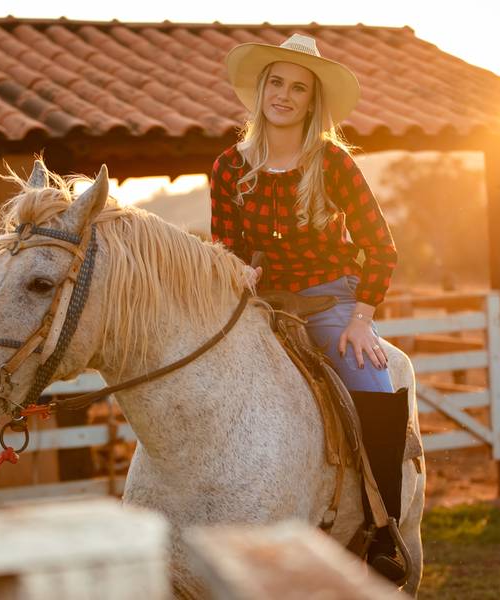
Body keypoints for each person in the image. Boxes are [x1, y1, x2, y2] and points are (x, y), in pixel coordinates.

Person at [210, 33, 411, 584]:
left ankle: (382, 529)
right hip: (263, 306)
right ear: (261, 90)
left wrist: (361, 318)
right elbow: (224, 248)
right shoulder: (229, 167)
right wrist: (238, 272)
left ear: (311, 100)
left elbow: (382, 247)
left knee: (369, 383)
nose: (284, 94)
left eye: (297, 87)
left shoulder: (334, 164)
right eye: (276, 82)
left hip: (330, 302)